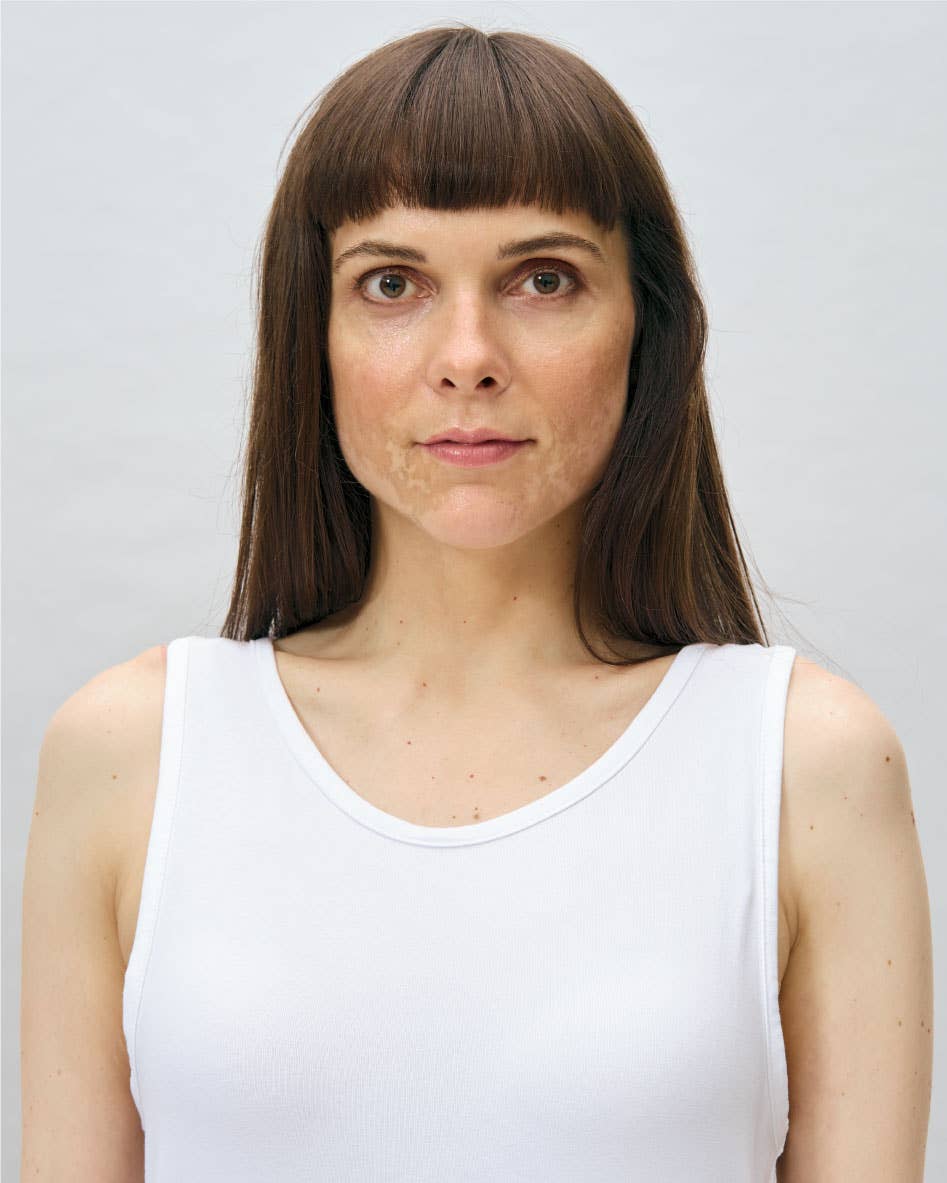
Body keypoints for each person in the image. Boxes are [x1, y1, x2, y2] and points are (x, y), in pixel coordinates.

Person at [20, 22, 932, 1183]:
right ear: (312, 336)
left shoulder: (805, 764)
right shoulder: (131, 754)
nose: (467, 355)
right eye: (390, 283)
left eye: (541, 279)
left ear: (645, 329)